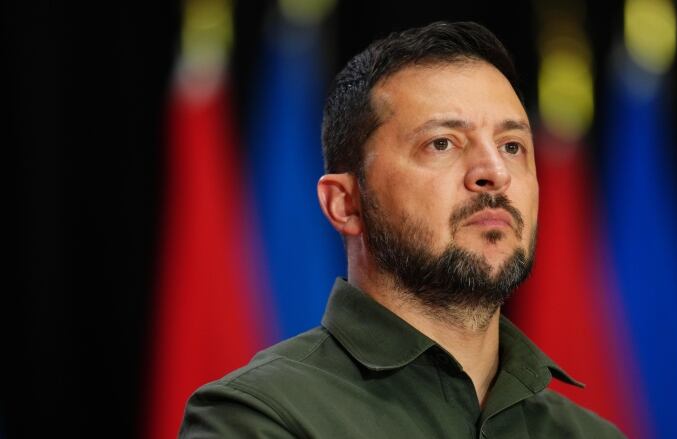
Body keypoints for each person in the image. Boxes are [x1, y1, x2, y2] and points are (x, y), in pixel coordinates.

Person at [179, 21, 626, 438]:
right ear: (345, 203)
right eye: (442, 143)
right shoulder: (255, 417)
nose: (494, 172)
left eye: (512, 146)